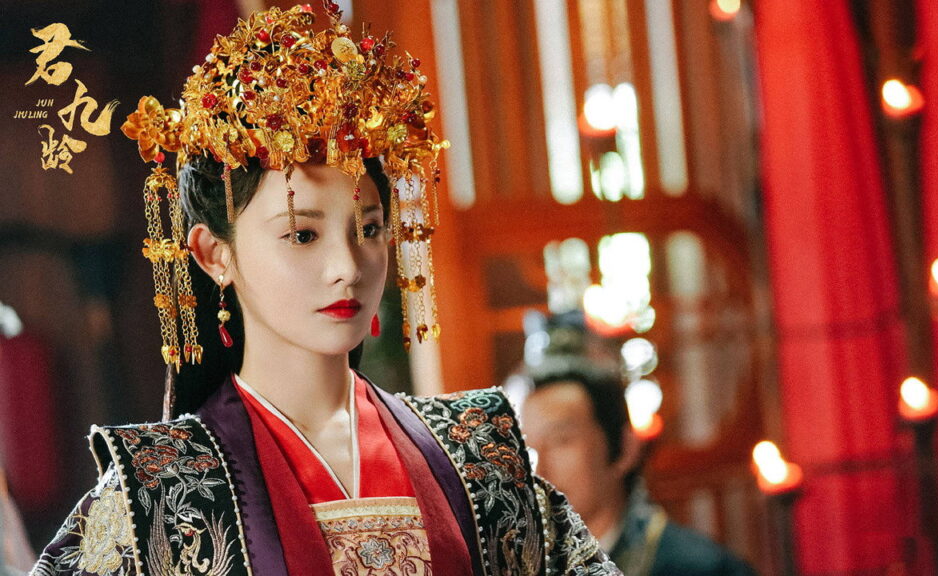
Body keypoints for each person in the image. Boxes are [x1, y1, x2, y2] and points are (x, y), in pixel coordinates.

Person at [31, 5, 619, 575]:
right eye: (303, 234)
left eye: (368, 230)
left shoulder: (477, 454)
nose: (348, 266)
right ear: (215, 254)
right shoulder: (160, 491)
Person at [520, 360, 757, 576]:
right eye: (527, 449)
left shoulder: (702, 569)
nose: (539, 471)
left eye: (560, 441)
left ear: (625, 449)